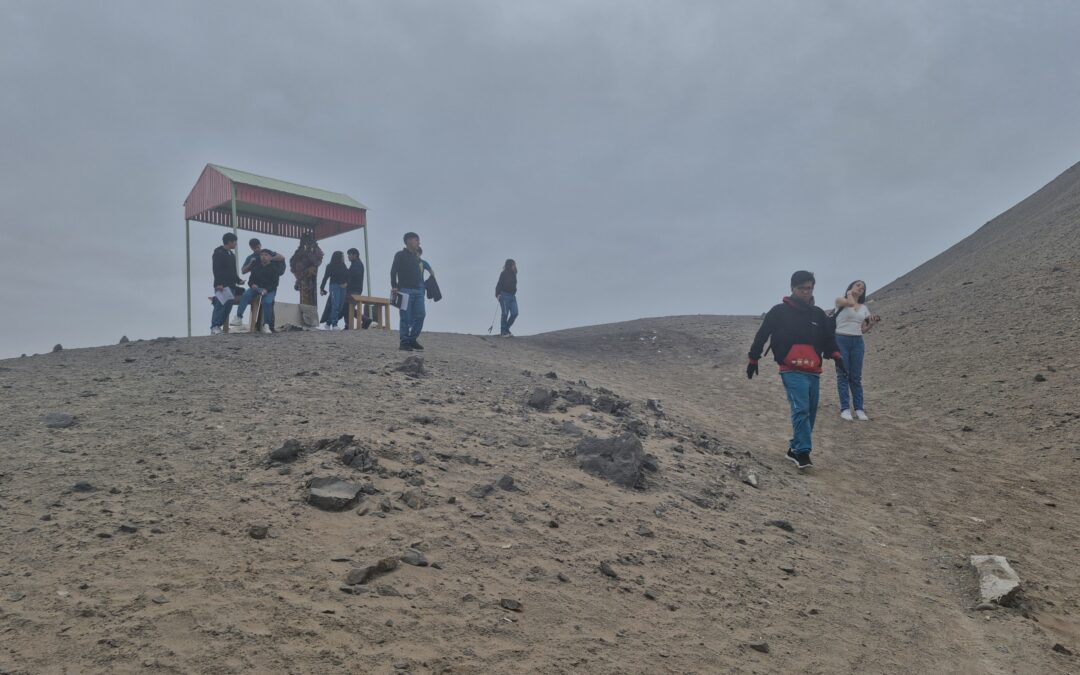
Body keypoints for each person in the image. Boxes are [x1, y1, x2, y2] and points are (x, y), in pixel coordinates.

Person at [746, 270, 844, 470]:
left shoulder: (818, 314)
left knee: (811, 411)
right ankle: (803, 453)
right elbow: (762, 334)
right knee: (801, 409)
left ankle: (794, 448)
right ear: (792, 288)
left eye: (809, 288)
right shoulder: (779, 311)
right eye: (802, 288)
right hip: (790, 368)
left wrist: (836, 355)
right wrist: (753, 358)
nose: (806, 292)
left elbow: (828, 337)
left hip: (813, 370)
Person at [833, 279, 881, 421]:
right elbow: (850, 304)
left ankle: (859, 408)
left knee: (856, 377)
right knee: (843, 374)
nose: (860, 288)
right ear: (851, 287)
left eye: (863, 287)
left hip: (857, 341)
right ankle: (845, 409)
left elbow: (862, 329)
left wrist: (871, 324)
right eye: (858, 285)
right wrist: (850, 293)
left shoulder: (864, 308)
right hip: (841, 339)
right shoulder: (840, 300)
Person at [232, 239, 284, 327]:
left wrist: (270, 258)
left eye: (258, 247)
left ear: (260, 245)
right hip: (256, 286)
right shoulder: (252, 260)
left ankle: (268, 325)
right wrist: (251, 264)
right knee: (246, 295)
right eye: (254, 248)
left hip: (269, 288)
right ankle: (239, 318)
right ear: (251, 248)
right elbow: (244, 272)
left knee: (268, 302)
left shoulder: (270, 256)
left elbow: (282, 257)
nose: (257, 249)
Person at [390, 232, 426, 351]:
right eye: (417, 240)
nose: (419, 243)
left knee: (421, 315)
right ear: (409, 240)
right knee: (405, 317)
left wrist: (423, 288)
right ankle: (404, 342)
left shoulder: (416, 257)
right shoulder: (400, 255)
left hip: (419, 290)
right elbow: (393, 271)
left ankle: (412, 339)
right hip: (404, 290)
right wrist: (394, 286)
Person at [210, 233, 244, 335]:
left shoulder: (231, 255)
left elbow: (233, 271)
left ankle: (218, 326)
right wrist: (218, 284)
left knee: (228, 306)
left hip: (231, 285)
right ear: (229, 242)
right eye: (235, 242)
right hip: (222, 286)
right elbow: (216, 269)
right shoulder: (219, 253)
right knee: (220, 306)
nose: (236, 244)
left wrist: (239, 280)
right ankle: (215, 326)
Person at [319, 251, 349, 330]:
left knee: (340, 307)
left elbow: (348, 275)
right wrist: (322, 288)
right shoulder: (330, 266)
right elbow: (325, 277)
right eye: (342, 256)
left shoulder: (344, 265)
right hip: (334, 286)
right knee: (335, 305)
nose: (344, 258)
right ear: (338, 257)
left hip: (343, 288)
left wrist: (346, 283)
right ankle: (334, 324)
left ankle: (328, 323)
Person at [495, 259, 518, 337]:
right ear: (509, 265)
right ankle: (503, 332)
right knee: (505, 314)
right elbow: (499, 284)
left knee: (515, 313)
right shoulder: (503, 273)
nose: (514, 266)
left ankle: (506, 329)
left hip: (512, 297)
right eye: (513, 264)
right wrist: (497, 294)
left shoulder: (514, 274)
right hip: (504, 296)